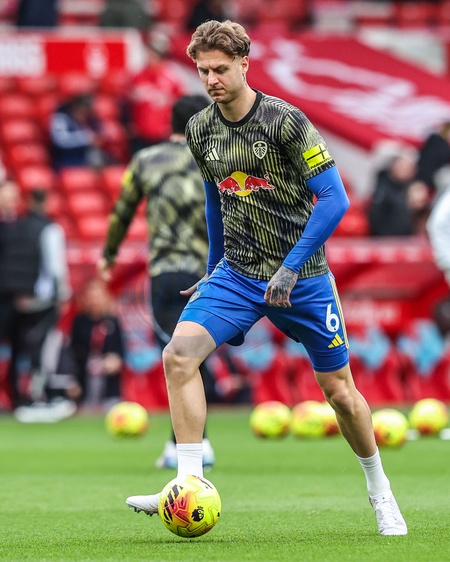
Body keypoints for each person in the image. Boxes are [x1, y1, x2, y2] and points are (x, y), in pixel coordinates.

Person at [125, 20, 408, 537]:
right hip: (237, 273)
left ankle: (380, 491)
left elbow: (335, 199)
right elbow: (215, 198)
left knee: (339, 392)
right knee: (178, 355)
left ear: (244, 64)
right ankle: (187, 485)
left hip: (302, 277)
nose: (211, 79)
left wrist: (291, 267)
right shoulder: (200, 129)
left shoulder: (286, 121)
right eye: (202, 71)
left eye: (220, 69)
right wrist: (213, 268)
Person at [98, 94, 216, 469]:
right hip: (210, 273)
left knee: (178, 356)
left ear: (171, 124)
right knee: (196, 355)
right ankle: (194, 442)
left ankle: (187, 445)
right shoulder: (217, 158)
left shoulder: (146, 159)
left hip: (166, 273)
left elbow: (122, 210)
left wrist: (109, 254)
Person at [1, 189, 72, 419]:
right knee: (41, 349)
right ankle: (37, 398)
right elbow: (55, 267)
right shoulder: (50, 229)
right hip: (43, 300)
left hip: (17, 298)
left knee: (19, 348)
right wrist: (62, 294)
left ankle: (19, 398)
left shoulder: (17, 227)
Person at [68, 278, 125, 409]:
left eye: (98, 297)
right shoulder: (79, 322)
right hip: (85, 385)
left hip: (109, 387)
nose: (95, 302)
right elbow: (73, 352)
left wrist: (115, 359)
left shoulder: (113, 321)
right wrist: (73, 380)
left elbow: (120, 349)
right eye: (91, 297)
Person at [127, 33, 186, 154]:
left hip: (163, 135)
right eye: (150, 52)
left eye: (156, 54)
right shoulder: (137, 77)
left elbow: (181, 107)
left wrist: (172, 127)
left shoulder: (173, 79)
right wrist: (130, 124)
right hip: (140, 135)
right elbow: (128, 104)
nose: (152, 56)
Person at [368, 152, 428, 236]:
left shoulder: (413, 188)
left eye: (409, 168)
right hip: (386, 238)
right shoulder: (383, 189)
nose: (406, 171)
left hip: (407, 237)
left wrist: (419, 208)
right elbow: (376, 218)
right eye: (402, 167)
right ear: (393, 167)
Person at [49, 93, 111, 171]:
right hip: (68, 160)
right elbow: (60, 140)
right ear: (76, 107)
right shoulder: (62, 118)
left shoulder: (92, 120)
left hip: (87, 159)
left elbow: (101, 134)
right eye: (83, 109)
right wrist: (86, 138)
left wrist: (99, 138)